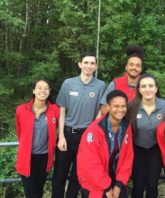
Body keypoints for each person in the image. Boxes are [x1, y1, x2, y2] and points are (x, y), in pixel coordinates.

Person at [52, 52, 106, 198]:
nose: (89, 66)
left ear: (96, 66)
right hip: (68, 133)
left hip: (87, 136)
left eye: (92, 63)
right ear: (80, 64)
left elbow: (102, 110)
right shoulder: (68, 83)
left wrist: (92, 130)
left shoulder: (100, 86)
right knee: (59, 173)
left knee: (79, 174)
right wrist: (61, 135)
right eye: (86, 63)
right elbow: (61, 109)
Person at [77, 90, 133, 198]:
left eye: (123, 106)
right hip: (94, 179)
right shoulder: (95, 129)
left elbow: (128, 157)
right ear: (108, 107)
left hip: (115, 175)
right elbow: (90, 163)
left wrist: (119, 183)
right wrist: (106, 187)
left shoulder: (127, 127)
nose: (120, 110)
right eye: (116, 106)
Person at [15, 79, 59, 198]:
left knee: (39, 191)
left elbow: (59, 128)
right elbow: (19, 132)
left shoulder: (55, 110)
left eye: (46, 88)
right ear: (33, 90)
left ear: (49, 91)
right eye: (39, 87)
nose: (42, 90)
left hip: (44, 158)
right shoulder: (21, 110)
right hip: (27, 158)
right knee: (30, 193)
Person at [127, 73, 165, 198]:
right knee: (138, 184)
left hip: (156, 149)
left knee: (152, 184)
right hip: (137, 149)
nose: (148, 89)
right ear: (139, 89)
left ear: (156, 88)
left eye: (151, 86)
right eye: (144, 86)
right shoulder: (132, 106)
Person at [100, 45, 144, 115]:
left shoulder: (145, 85)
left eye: (137, 65)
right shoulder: (115, 84)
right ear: (126, 67)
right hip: (117, 124)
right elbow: (103, 108)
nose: (134, 68)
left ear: (141, 69)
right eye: (131, 64)